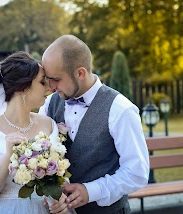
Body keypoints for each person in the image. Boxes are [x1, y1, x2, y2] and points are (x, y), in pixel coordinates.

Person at [38, 35, 149, 214]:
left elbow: (137, 173)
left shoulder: (121, 110)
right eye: (47, 79)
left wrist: (91, 191)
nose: (50, 87)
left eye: (56, 79)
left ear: (80, 73)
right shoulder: (49, 104)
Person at [0, 51, 69, 214]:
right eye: (42, 82)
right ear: (23, 87)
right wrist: (8, 157)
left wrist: (60, 198)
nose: (49, 87)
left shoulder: (49, 125)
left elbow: (59, 177)